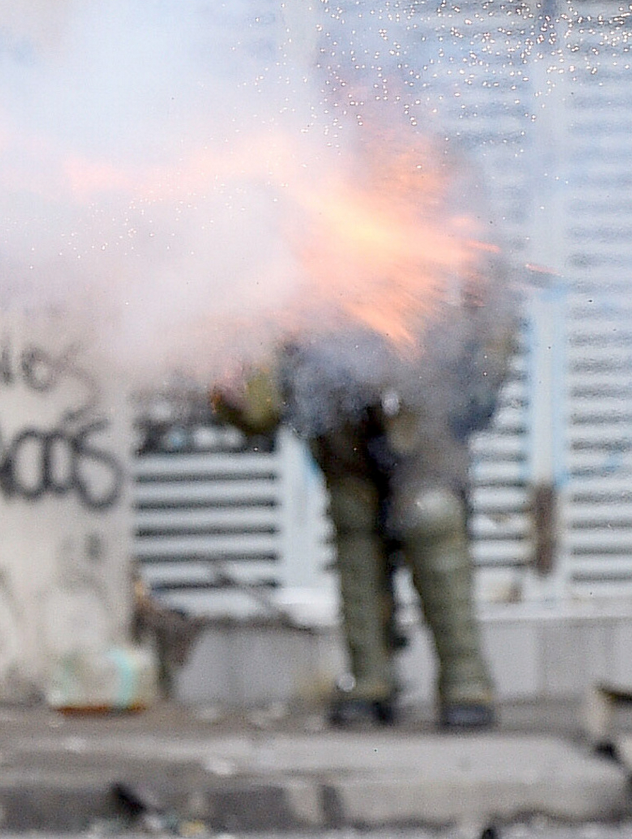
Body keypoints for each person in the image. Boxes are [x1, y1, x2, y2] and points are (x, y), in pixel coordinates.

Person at [216, 160, 516, 731]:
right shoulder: (305, 178)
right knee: (355, 527)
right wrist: (241, 388)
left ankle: (465, 679)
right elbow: (270, 319)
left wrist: (479, 388)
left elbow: (491, 298)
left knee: (431, 520)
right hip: (342, 407)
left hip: (425, 400)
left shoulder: (432, 172)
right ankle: (369, 677)